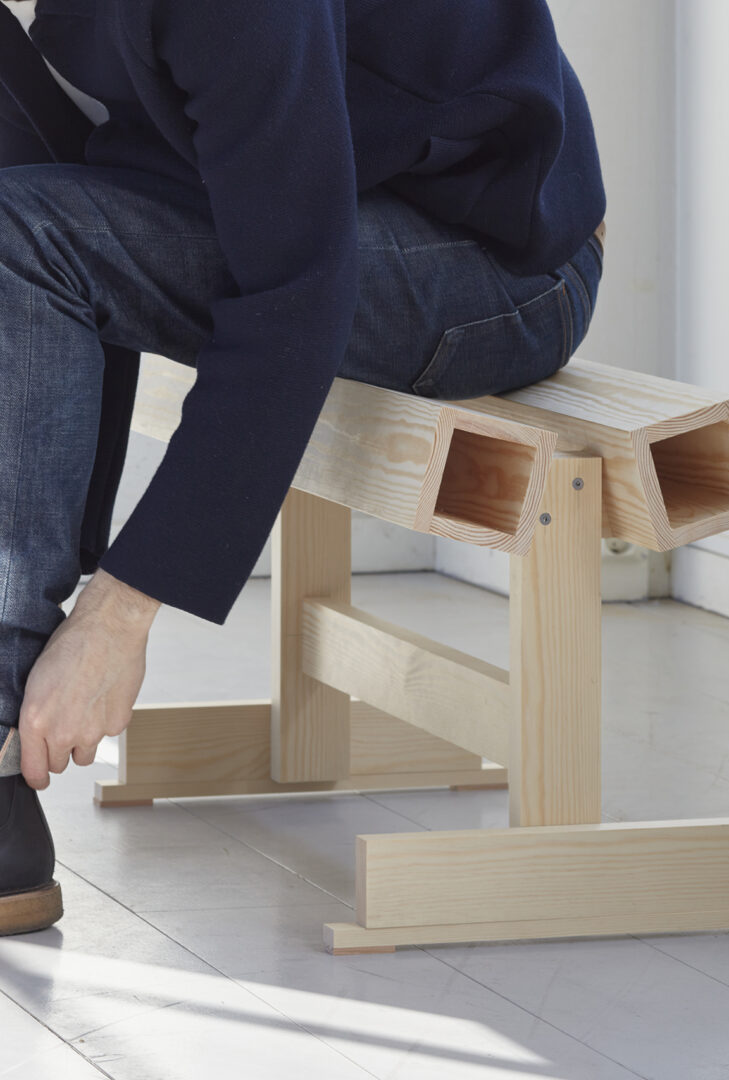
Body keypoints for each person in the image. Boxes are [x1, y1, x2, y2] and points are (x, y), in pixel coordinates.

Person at [0, 0, 606, 935]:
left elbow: (292, 303)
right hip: (338, 195)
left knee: (19, 237)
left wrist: (115, 616)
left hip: (502, 262)